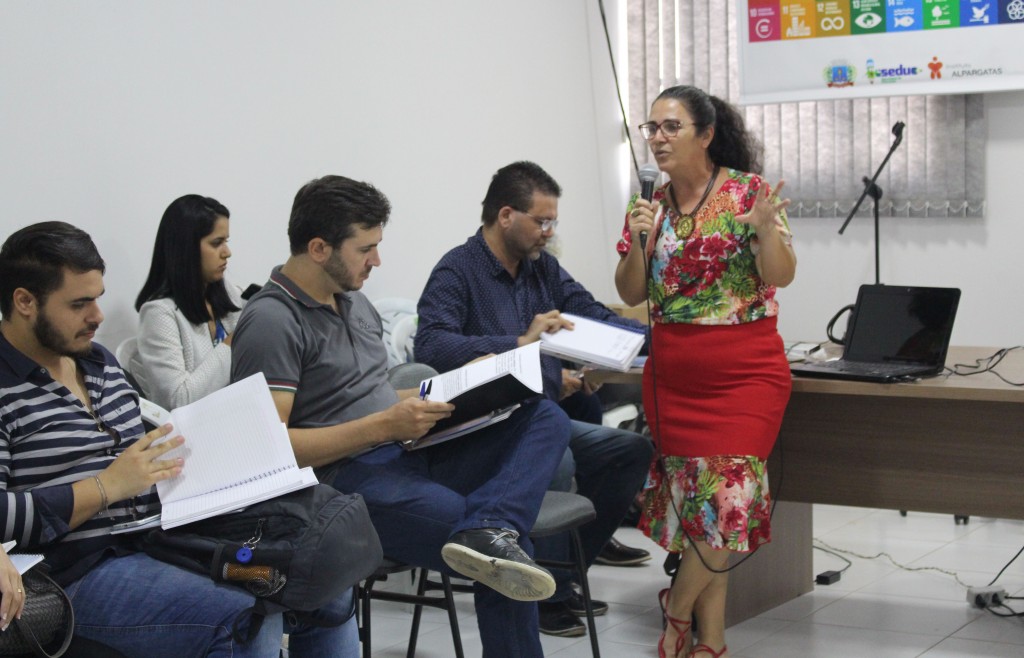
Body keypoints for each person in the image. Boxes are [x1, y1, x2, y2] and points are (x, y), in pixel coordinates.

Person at [230, 175, 571, 658]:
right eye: (366, 248)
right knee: (505, 562)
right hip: (343, 482)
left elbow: (375, 396)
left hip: (405, 450)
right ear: (319, 247)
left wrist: (463, 385)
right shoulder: (272, 321)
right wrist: (384, 427)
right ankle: (488, 534)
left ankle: (490, 524)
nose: (377, 261)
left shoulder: (354, 301)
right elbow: (266, 449)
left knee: (544, 416)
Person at [0, 221, 357, 657]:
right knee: (245, 616)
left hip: (163, 537)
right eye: (79, 304)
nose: (97, 315)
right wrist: (106, 486)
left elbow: (149, 458)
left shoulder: (98, 362)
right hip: (79, 569)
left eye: (97, 298)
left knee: (326, 583)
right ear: (24, 302)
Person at [414, 160, 654, 637]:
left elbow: (589, 312)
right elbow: (432, 346)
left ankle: (557, 578)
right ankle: (548, 596)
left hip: (537, 415)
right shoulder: (457, 271)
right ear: (506, 215)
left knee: (631, 451)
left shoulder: (540, 269)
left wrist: (666, 339)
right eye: (541, 221)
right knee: (559, 454)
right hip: (481, 423)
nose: (548, 232)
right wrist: (519, 344)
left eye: (552, 222)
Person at [615, 86, 796, 658]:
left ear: (706, 134)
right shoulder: (650, 205)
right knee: (699, 513)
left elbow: (781, 275)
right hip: (673, 380)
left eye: (671, 127)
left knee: (727, 503)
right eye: (652, 128)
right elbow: (630, 290)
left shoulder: (749, 193)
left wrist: (767, 229)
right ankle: (710, 643)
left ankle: (675, 609)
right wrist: (638, 240)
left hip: (746, 377)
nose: (659, 138)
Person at [133, 194, 244, 409]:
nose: (227, 253)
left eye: (226, 241)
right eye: (216, 243)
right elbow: (178, 400)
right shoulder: (159, 314)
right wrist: (234, 341)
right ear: (186, 248)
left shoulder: (228, 293)